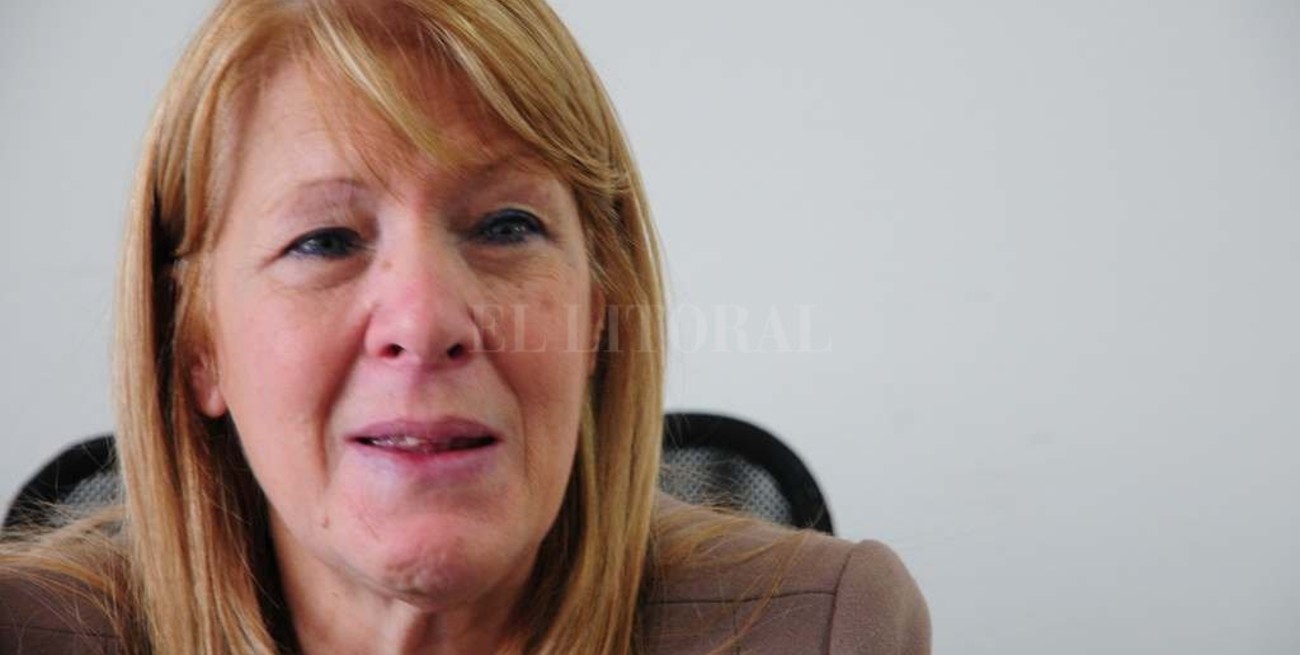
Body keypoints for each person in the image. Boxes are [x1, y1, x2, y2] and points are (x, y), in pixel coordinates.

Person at [0, 1, 929, 653]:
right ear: (197, 343)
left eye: (506, 227)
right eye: (325, 240)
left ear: (599, 305)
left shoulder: (826, 629)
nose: (426, 321)